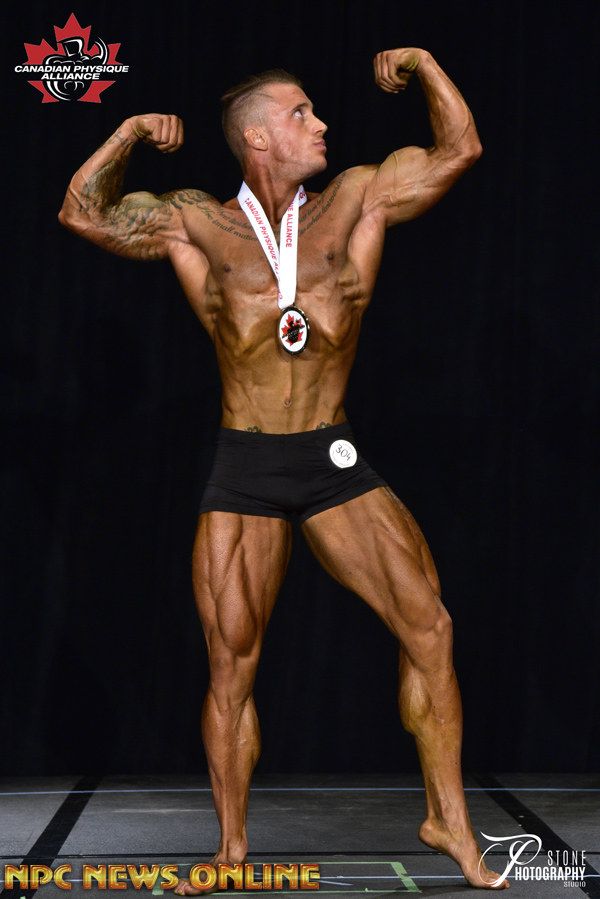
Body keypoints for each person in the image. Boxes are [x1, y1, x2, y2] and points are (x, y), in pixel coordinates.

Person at [59, 47, 508, 893]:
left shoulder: (357, 197)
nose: (322, 123)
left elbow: (460, 150)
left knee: (431, 627)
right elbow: (82, 213)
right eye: (302, 113)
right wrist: (127, 132)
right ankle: (231, 849)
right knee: (232, 664)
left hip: (333, 457)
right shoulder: (197, 222)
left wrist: (424, 64)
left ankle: (448, 816)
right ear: (259, 137)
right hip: (247, 464)